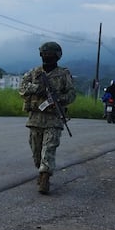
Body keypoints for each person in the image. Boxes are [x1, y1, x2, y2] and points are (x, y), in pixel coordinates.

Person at [18, 42, 76, 195]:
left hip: (54, 119)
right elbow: (22, 89)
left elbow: (71, 95)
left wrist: (59, 98)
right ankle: (42, 169)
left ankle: (45, 176)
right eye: (45, 54)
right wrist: (38, 89)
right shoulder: (34, 73)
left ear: (57, 56)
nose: (47, 57)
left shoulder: (64, 74)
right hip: (35, 118)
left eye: (51, 54)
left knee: (49, 148)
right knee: (36, 152)